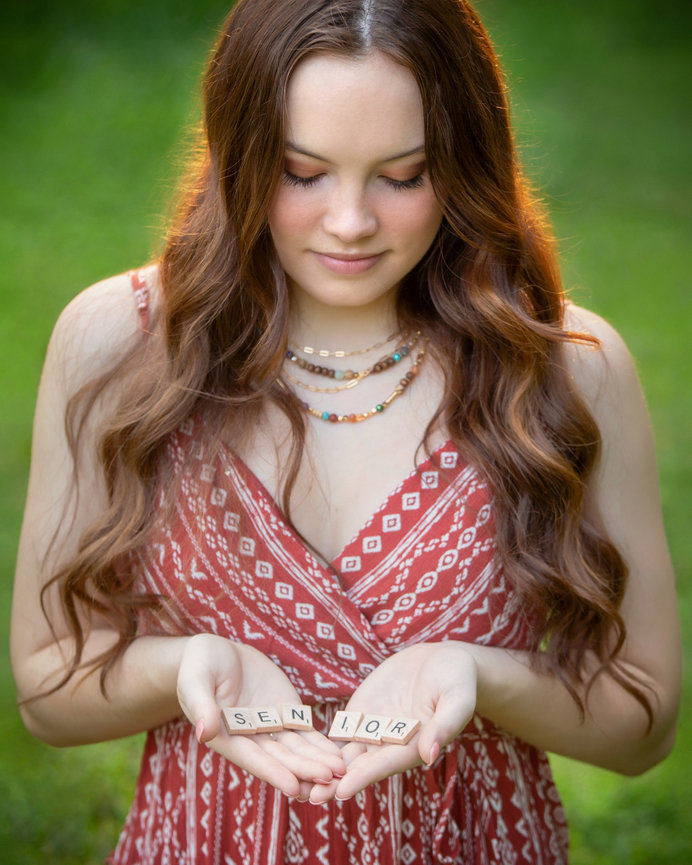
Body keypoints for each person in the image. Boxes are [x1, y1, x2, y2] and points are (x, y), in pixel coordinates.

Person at [10, 0, 681, 862]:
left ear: (466, 162)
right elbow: (47, 689)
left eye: (403, 176)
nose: (352, 221)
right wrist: (181, 666)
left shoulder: (565, 368)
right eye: (302, 171)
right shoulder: (122, 344)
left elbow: (645, 720)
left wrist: (480, 676)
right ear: (239, 153)